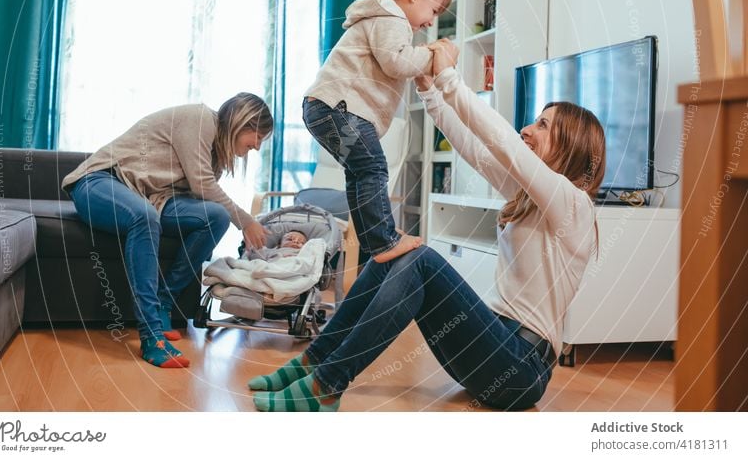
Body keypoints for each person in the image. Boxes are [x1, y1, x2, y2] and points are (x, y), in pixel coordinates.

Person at [248, 40, 606, 411]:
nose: (528, 130)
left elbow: (502, 144)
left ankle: (326, 387)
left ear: (572, 145)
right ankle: (313, 362)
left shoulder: (574, 206)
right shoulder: (530, 196)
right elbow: (473, 148)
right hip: (489, 348)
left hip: (519, 370)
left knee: (421, 259)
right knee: (392, 254)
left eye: (543, 125)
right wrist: (427, 87)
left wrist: (450, 77)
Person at [62, 93, 273, 368]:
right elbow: (202, 185)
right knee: (144, 218)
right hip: (100, 182)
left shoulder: (216, 155)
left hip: (149, 197)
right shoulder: (200, 120)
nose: (257, 146)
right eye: (257, 136)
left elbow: (201, 198)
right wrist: (246, 220)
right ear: (240, 121)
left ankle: (165, 299)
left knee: (216, 216)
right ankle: (151, 336)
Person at [303, 0, 453, 265]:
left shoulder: (382, 17)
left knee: (359, 171)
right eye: (433, 10)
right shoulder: (391, 17)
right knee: (373, 168)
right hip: (339, 107)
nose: (430, 21)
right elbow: (396, 61)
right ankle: (383, 240)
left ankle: (374, 240)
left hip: (326, 108)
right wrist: (433, 54)